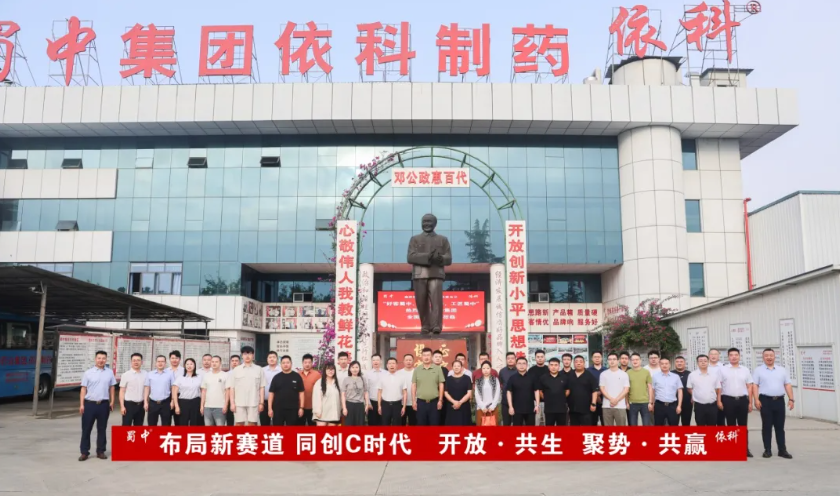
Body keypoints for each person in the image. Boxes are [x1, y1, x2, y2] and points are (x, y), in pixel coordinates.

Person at [753, 349, 795, 459]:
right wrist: (756, 399)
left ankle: (782, 450)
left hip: (779, 401)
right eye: (766, 355)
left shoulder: (782, 370)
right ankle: (767, 450)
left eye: (771, 355)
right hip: (765, 401)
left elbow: (787, 384)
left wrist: (791, 399)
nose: (769, 357)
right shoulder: (758, 370)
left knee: (780, 427)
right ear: (763, 357)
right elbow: (755, 385)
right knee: (766, 426)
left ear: (774, 356)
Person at [78, 350, 116, 461]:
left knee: (102, 429)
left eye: (103, 358)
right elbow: (83, 389)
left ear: (106, 359)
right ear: (95, 359)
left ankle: (101, 451)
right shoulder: (88, 373)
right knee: (86, 429)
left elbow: (112, 387)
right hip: (90, 404)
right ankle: (84, 452)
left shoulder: (109, 372)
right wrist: (82, 404)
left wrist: (112, 401)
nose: (101, 360)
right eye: (99, 358)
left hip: (103, 404)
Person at [720, 347, 755, 457]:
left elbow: (749, 386)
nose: (734, 357)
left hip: (742, 400)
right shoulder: (722, 370)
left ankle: (745, 449)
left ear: (739, 356)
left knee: (743, 425)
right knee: (731, 425)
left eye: (736, 355)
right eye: (731, 355)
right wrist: (719, 401)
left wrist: (750, 402)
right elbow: (718, 386)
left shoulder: (745, 370)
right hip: (728, 400)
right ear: (728, 357)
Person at [228, 346, 265, 426]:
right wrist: (232, 403)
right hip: (239, 403)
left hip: (254, 403)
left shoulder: (259, 369)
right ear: (242, 356)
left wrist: (261, 403)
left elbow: (262, 387)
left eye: (249, 354)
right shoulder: (236, 370)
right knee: (239, 424)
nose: (247, 356)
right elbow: (232, 388)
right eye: (245, 354)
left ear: (253, 355)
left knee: (252, 424)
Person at [411, 348, 445, 425]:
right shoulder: (417, 370)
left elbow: (441, 384)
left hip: (434, 403)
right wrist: (413, 401)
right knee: (421, 425)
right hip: (421, 403)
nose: (426, 357)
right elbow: (413, 385)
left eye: (428, 355)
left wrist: (440, 400)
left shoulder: (438, 369)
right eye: (424, 355)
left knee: (434, 424)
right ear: (421, 357)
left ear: (431, 356)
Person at [268, 355, 304, 426]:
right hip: (278, 409)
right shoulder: (276, 377)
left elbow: (301, 393)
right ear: (281, 364)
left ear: (291, 363)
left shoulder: (297, 376)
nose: (285, 364)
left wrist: (301, 408)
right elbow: (271, 393)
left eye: (287, 362)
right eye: (283, 363)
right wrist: (270, 408)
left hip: (293, 409)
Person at [687, 354, 721, 426]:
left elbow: (717, 388)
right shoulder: (692, 375)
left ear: (708, 362)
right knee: (700, 426)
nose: (703, 362)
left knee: (712, 426)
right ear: (697, 363)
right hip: (699, 406)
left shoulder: (714, 375)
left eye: (705, 361)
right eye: (700, 361)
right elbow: (689, 388)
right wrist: (695, 394)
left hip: (712, 405)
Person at [506, 356, 539, 425]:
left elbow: (536, 391)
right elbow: (509, 392)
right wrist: (510, 407)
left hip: (530, 409)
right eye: (519, 363)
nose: (521, 365)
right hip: (517, 409)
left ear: (527, 365)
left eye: (524, 363)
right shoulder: (512, 378)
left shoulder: (532, 377)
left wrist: (537, 405)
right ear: (516, 365)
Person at [599, 352, 630, 426]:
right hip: (606, 405)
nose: (612, 361)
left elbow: (626, 389)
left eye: (614, 359)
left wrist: (616, 400)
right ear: (607, 361)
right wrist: (611, 399)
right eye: (610, 359)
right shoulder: (603, 374)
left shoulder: (624, 374)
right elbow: (602, 389)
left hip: (620, 406)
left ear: (618, 361)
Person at [651, 358, 683, 426]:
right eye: (662, 364)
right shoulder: (655, 376)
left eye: (666, 364)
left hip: (672, 405)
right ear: (659, 365)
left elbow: (680, 391)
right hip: (659, 405)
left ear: (669, 365)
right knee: (658, 425)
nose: (664, 365)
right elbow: (652, 391)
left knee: (674, 425)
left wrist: (679, 406)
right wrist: (652, 403)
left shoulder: (676, 377)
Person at [567, 356, 598, 425]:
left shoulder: (589, 375)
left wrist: (593, 403)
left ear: (584, 363)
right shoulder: (569, 375)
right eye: (576, 362)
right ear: (573, 363)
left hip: (586, 408)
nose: (578, 363)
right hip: (572, 408)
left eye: (581, 362)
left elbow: (594, 390)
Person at [538, 357, 570, 426]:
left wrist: (561, 397)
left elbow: (567, 390)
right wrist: (546, 398)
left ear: (559, 366)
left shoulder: (564, 377)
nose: (553, 367)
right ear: (548, 366)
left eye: (556, 365)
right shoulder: (543, 378)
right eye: (551, 365)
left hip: (561, 408)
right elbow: (540, 391)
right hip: (549, 408)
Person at [144, 355, 174, 426]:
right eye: (158, 361)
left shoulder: (170, 374)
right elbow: (147, 388)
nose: (160, 363)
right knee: (151, 424)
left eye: (162, 361)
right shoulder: (150, 374)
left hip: (166, 403)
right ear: (156, 363)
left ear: (165, 363)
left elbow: (173, 388)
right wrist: (145, 401)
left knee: (166, 424)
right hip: (153, 403)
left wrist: (172, 401)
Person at [119, 352, 147, 426]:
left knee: (139, 426)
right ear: (131, 362)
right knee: (126, 426)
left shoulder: (145, 374)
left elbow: (146, 389)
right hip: (129, 405)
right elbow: (122, 391)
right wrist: (122, 406)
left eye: (138, 360)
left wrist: (146, 402)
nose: (136, 362)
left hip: (141, 405)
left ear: (142, 362)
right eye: (134, 360)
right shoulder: (126, 375)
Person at [172, 358, 203, 425]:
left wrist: (202, 406)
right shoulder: (180, 377)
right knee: (182, 423)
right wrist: (176, 406)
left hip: (195, 402)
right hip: (183, 402)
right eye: (187, 364)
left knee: (195, 423)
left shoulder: (199, 377)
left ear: (194, 365)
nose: (189, 366)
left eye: (191, 364)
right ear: (185, 366)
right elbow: (174, 392)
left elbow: (202, 391)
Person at [200, 355, 228, 426]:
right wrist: (202, 406)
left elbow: (227, 391)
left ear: (220, 363)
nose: (214, 363)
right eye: (212, 362)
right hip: (207, 407)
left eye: (216, 362)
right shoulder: (206, 375)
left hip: (220, 407)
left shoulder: (225, 375)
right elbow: (203, 391)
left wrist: (225, 405)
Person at [627, 353, 653, 426]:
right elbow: (626, 389)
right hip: (632, 403)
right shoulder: (627, 373)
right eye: (633, 360)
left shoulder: (646, 372)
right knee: (633, 425)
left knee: (646, 425)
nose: (635, 361)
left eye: (637, 359)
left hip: (645, 402)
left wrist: (650, 402)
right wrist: (627, 402)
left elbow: (650, 387)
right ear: (630, 361)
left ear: (640, 361)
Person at [379, 357, 407, 426]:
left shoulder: (402, 377)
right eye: (390, 363)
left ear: (397, 365)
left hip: (397, 405)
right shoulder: (382, 377)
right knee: (385, 424)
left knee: (397, 425)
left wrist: (404, 407)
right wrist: (379, 406)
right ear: (387, 365)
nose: (391, 365)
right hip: (385, 404)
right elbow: (379, 392)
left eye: (393, 363)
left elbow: (405, 393)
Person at [444, 360, 473, 425]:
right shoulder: (448, 379)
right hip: (451, 405)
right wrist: (454, 402)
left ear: (461, 367)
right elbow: (446, 393)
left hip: (464, 405)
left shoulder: (467, 378)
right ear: (452, 367)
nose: (456, 367)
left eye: (458, 366)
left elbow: (469, 393)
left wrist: (460, 402)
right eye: (454, 366)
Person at [342, 360, 369, 426]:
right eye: (353, 367)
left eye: (357, 367)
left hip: (360, 405)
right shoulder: (346, 379)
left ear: (359, 369)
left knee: (360, 425)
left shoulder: (363, 379)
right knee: (349, 425)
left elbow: (366, 392)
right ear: (350, 369)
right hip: (349, 405)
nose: (355, 369)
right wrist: (344, 408)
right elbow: (343, 395)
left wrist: (367, 405)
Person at [474, 361, 501, 426]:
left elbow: (497, 393)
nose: (486, 370)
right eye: (484, 368)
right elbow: (477, 395)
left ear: (490, 369)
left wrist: (492, 406)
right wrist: (483, 407)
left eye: (488, 368)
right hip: (481, 408)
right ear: (481, 369)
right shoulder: (478, 381)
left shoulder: (495, 380)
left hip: (493, 408)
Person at [260, 351, 283, 426]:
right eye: (270, 357)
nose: (272, 359)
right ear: (267, 359)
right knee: (264, 423)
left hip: (278, 401)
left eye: (274, 357)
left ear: (277, 359)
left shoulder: (281, 370)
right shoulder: (262, 370)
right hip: (264, 401)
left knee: (278, 423)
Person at [299, 353, 321, 426]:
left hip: (313, 406)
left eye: (309, 362)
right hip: (300, 406)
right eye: (305, 362)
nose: (307, 364)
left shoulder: (317, 374)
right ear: (302, 363)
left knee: (312, 427)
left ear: (312, 363)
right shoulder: (298, 374)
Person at [528, 350, 548, 426]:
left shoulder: (549, 369)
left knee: (548, 422)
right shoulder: (531, 370)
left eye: (542, 357)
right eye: (538, 357)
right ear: (535, 358)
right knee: (536, 422)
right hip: (534, 401)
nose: (540, 358)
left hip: (548, 401)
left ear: (545, 358)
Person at [366, 354, 386, 426]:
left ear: (381, 361)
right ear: (371, 362)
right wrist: (368, 403)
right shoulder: (368, 374)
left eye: (377, 360)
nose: (375, 362)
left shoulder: (386, 373)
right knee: (372, 423)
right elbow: (366, 389)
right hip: (372, 402)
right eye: (373, 360)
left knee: (383, 423)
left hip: (384, 402)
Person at [498, 352, 518, 426]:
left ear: (515, 359)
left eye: (512, 358)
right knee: (506, 423)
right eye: (508, 358)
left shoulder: (519, 370)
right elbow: (500, 384)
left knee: (518, 424)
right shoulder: (502, 371)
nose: (510, 360)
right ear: (506, 360)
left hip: (517, 402)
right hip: (505, 402)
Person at [587, 351, 606, 426]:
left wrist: (600, 393)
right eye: (595, 357)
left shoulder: (606, 370)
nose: (597, 358)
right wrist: (596, 395)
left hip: (605, 400)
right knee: (592, 423)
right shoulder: (587, 371)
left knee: (605, 422)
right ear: (592, 358)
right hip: (592, 401)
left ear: (601, 358)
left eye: (599, 357)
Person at [398, 354, 417, 425]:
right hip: (401, 403)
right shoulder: (399, 373)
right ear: (403, 361)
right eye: (406, 360)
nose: (408, 362)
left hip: (414, 403)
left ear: (413, 361)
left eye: (410, 360)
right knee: (401, 423)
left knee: (413, 423)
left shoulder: (417, 372)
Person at [709, 348, 726, 426]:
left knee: (721, 419)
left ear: (719, 356)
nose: (713, 356)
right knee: (710, 420)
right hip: (708, 396)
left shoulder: (724, 367)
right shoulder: (704, 366)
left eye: (715, 354)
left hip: (721, 395)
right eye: (711, 354)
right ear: (708, 356)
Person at [673, 356, 692, 426]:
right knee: (673, 423)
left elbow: (694, 387)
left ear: (684, 363)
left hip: (687, 402)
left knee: (686, 423)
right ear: (675, 363)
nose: (679, 363)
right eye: (677, 362)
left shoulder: (690, 374)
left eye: (681, 362)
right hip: (673, 403)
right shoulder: (671, 374)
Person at [167, 350, 184, 425]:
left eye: (176, 358)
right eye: (172, 358)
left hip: (180, 397)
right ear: (170, 359)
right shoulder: (166, 371)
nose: (174, 360)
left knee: (179, 421)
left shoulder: (184, 371)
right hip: (168, 397)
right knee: (167, 420)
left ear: (180, 359)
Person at [225, 354, 240, 426]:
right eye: (233, 361)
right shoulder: (227, 374)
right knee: (230, 419)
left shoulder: (243, 373)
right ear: (230, 362)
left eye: (236, 361)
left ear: (239, 362)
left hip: (240, 399)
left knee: (240, 420)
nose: (234, 362)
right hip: (229, 399)